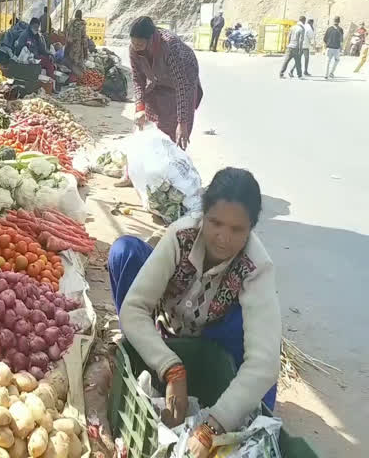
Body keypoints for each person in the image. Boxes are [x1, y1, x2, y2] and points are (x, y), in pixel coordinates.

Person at [109, 167, 281, 458]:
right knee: (124, 251)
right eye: (215, 223)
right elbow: (135, 308)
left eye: (237, 229)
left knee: (256, 338)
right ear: (203, 214)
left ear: (251, 227)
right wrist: (171, 368)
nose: (223, 238)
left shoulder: (256, 266)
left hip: (214, 339)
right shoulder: (181, 235)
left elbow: (264, 363)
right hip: (166, 327)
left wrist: (213, 425)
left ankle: (246, 414)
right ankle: (142, 355)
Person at [129, 16, 202, 149]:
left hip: (184, 81)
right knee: (151, 123)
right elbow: (137, 79)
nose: (136, 47)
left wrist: (182, 123)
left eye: (139, 44)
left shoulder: (169, 45)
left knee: (174, 133)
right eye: (133, 43)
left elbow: (182, 86)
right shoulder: (134, 48)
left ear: (150, 39)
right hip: (158, 81)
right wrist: (139, 108)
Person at [64, 10, 89, 77]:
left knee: (70, 61)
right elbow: (84, 38)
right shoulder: (82, 24)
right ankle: (78, 77)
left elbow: (66, 34)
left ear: (75, 15)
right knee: (77, 62)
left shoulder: (70, 23)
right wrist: (85, 50)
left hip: (70, 46)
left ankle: (71, 77)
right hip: (78, 47)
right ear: (81, 15)